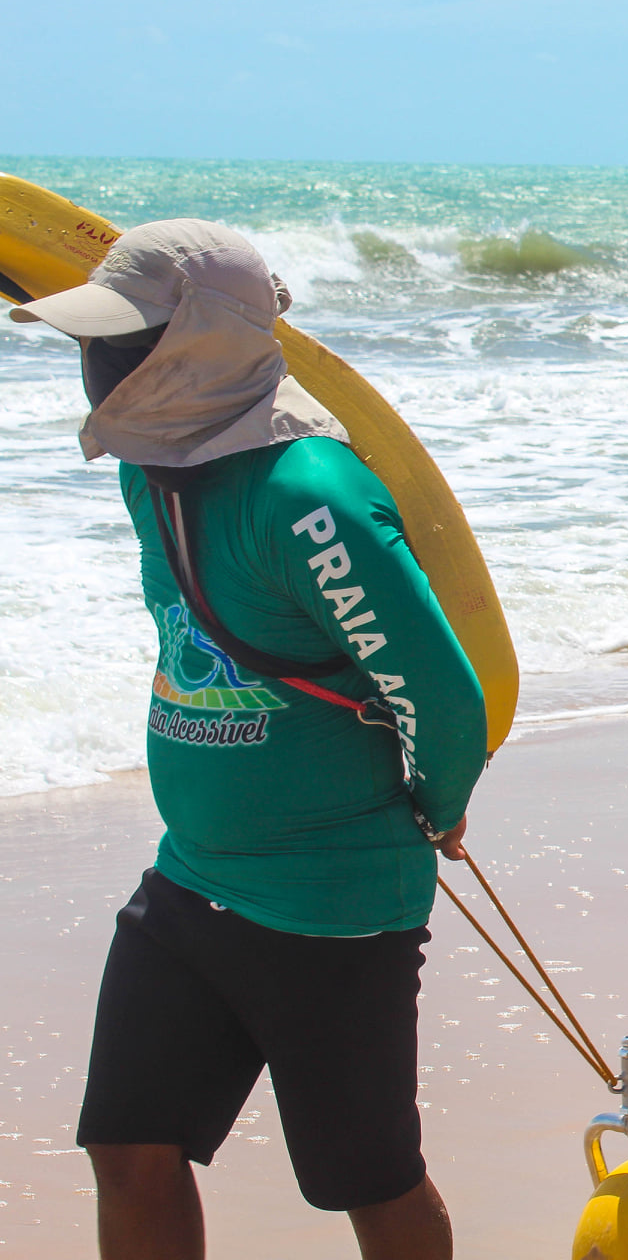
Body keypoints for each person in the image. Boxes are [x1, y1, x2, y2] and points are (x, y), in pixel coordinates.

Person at [7, 220, 487, 1259]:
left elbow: (444, 698)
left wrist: (437, 811)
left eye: (123, 342)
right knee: (129, 1146)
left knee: (368, 1180)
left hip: (330, 905)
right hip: (193, 880)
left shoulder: (311, 499)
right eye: (95, 341)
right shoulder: (153, 471)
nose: (98, 366)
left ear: (207, 344)